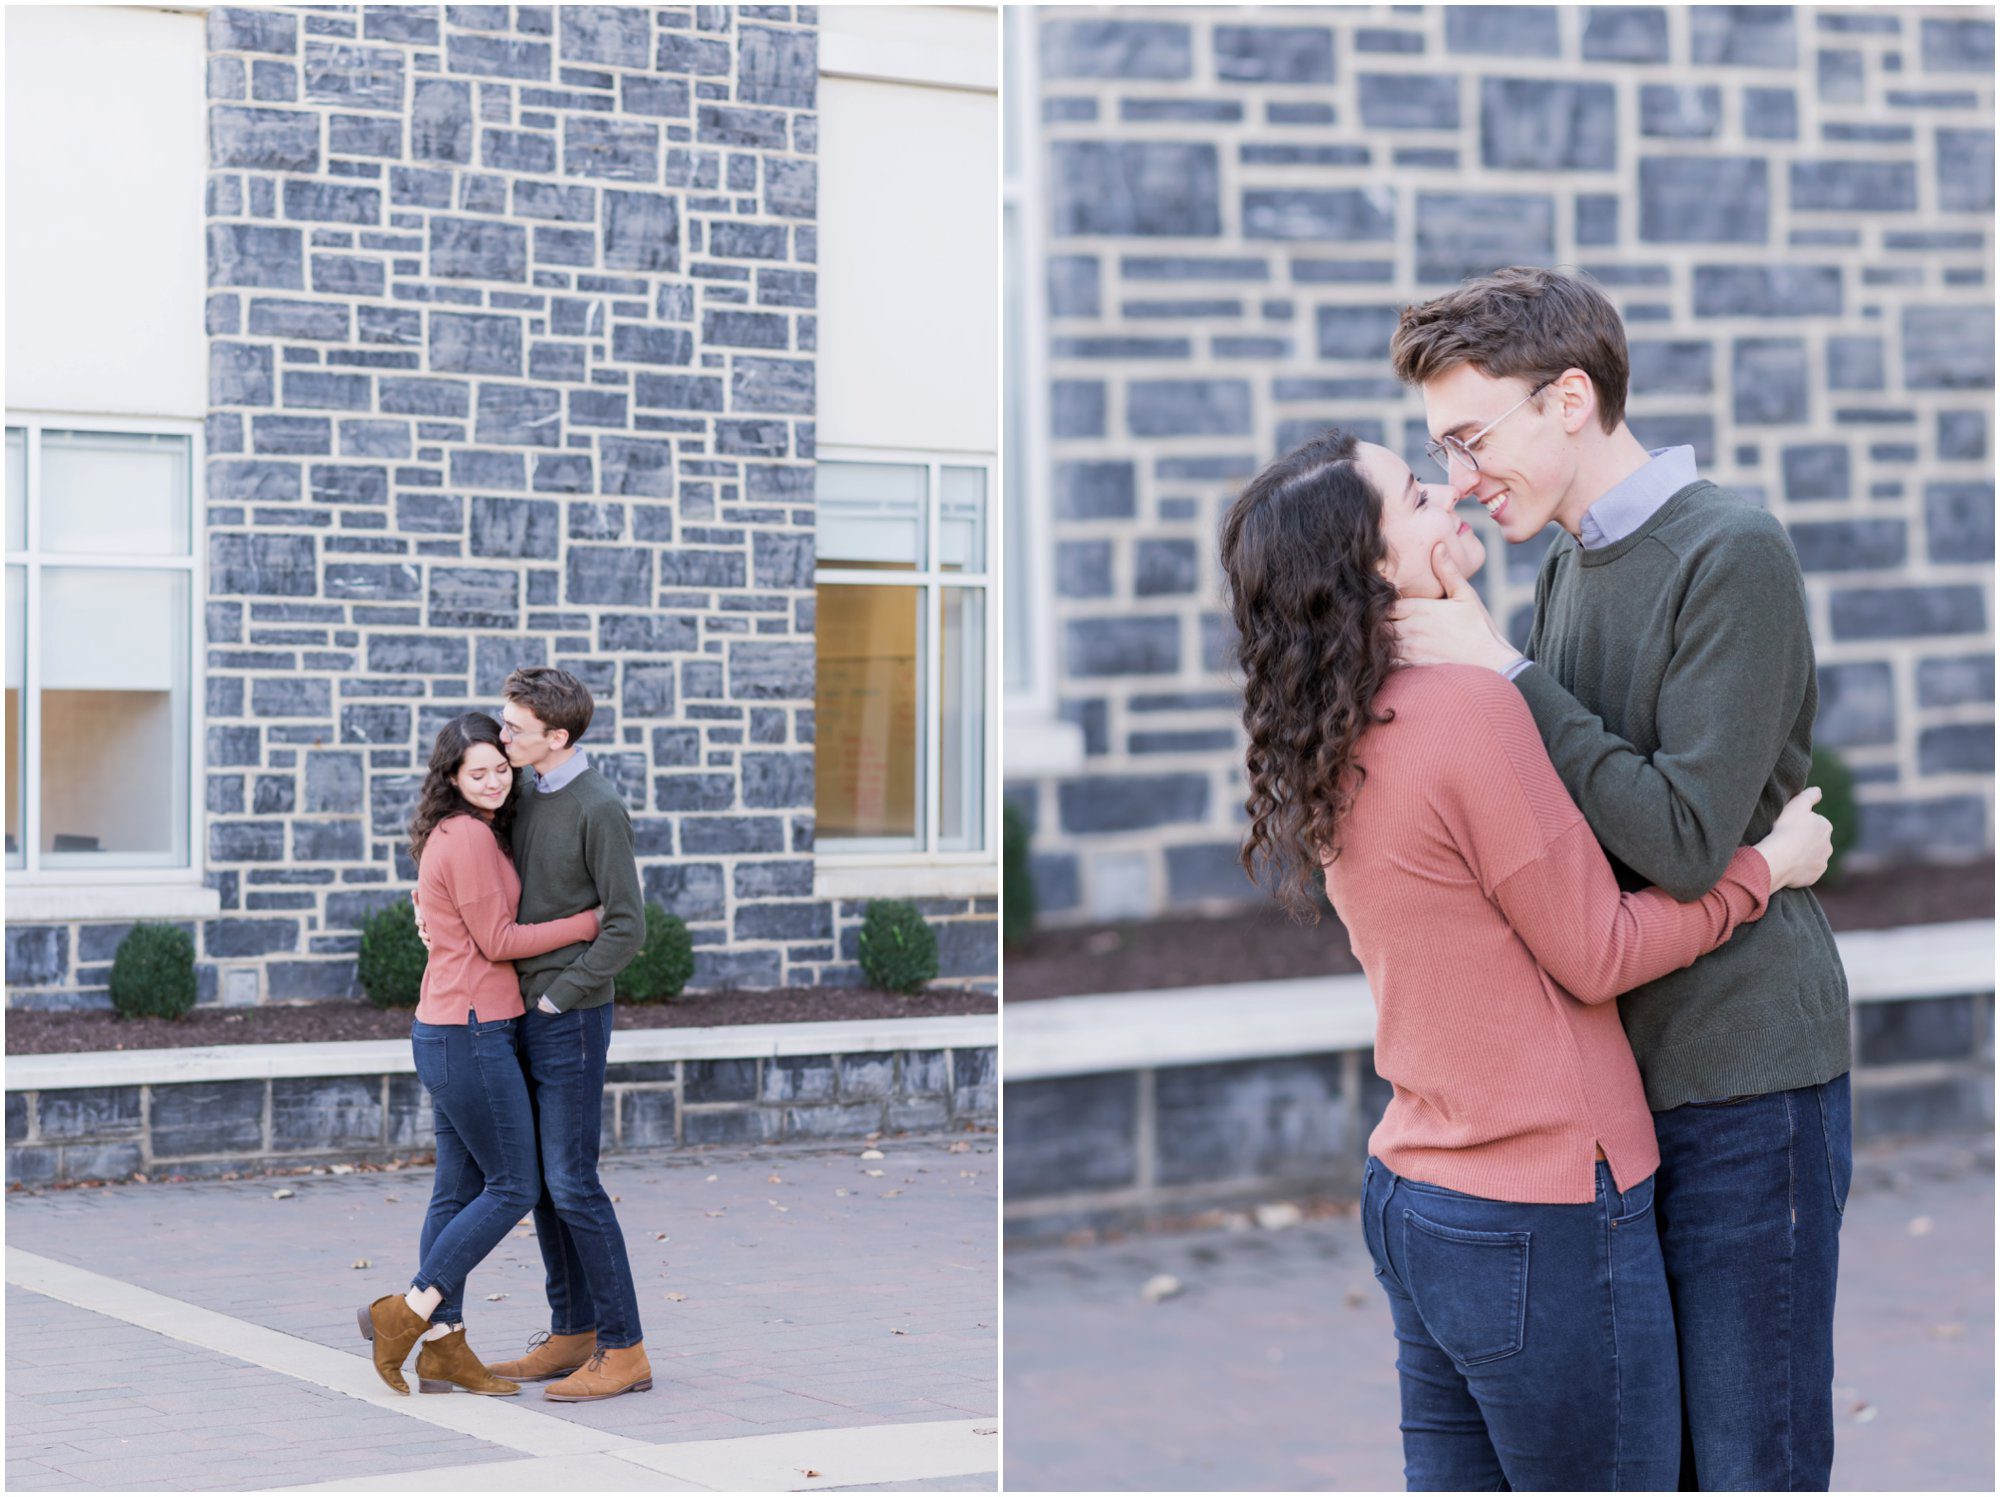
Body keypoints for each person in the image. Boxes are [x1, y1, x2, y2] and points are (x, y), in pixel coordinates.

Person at [1218, 430, 1835, 1491]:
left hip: (1413, 1190)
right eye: (1418, 493)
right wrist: (1765, 870)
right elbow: (1596, 951)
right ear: (1374, 568)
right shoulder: (1468, 712)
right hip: (1543, 1205)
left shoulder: (1322, 730)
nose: (1450, 490)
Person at [1388, 266, 1852, 1491]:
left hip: (1747, 1078)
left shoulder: (1729, 550)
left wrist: (1500, 671)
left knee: (1750, 1462)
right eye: (1439, 447)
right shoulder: (1561, 569)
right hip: (1624, 1095)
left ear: (1571, 399)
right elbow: (1563, 834)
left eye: (1470, 437)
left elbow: (1684, 837)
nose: (1461, 475)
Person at [359, 713, 601, 1397]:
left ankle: (442, 1348)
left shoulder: (465, 831)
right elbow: (496, 938)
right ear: (452, 778)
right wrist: (590, 921)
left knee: (456, 1190)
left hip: (450, 1028)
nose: (494, 779)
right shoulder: (465, 835)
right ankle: (406, 1311)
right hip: (470, 1031)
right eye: (478, 772)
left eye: (500, 767)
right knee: (515, 1184)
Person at [473, 666, 650, 1402]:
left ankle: (625, 1347)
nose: (501, 733)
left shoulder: (598, 805)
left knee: (574, 1183)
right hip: (529, 1011)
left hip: (569, 1018)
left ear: (558, 736)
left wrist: (558, 999)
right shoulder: (527, 795)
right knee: (546, 1185)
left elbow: (628, 925)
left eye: (514, 726)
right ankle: (572, 1332)